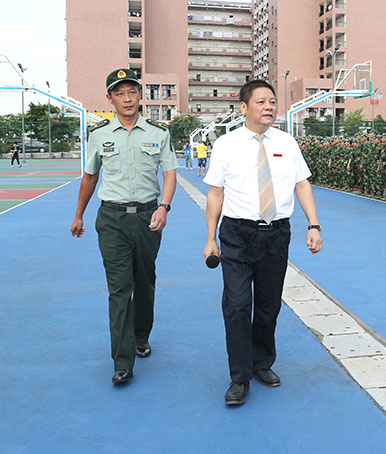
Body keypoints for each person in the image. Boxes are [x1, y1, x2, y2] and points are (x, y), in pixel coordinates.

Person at [203, 79, 322, 406]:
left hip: (276, 234)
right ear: (244, 107)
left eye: (272, 101)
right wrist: (210, 238)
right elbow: (215, 193)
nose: (269, 107)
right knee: (237, 305)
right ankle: (239, 377)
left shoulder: (287, 142)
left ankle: (261, 362)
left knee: (269, 305)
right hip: (236, 235)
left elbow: (302, 184)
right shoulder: (226, 144)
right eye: (261, 102)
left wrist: (314, 225)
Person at [69, 68, 177, 385]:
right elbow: (90, 177)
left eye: (132, 92)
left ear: (140, 95)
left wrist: (164, 206)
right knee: (119, 289)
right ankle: (122, 360)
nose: (127, 98)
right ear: (110, 98)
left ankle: (141, 336)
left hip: (147, 218)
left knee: (144, 281)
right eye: (119, 93)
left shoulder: (158, 133)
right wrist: (79, 214)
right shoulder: (99, 135)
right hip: (112, 220)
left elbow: (170, 172)